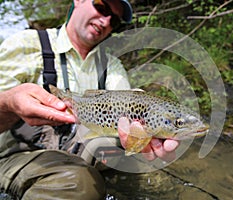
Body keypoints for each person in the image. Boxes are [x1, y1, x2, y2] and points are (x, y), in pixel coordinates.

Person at [0, 0, 179, 199]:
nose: (106, 21)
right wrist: (8, 104)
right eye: (101, 7)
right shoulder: (25, 45)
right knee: (78, 182)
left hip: (79, 151)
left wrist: (149, 118)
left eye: (115, 21)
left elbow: (128, 100)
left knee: (152, 177)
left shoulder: (111, 64)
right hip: (18, 155)